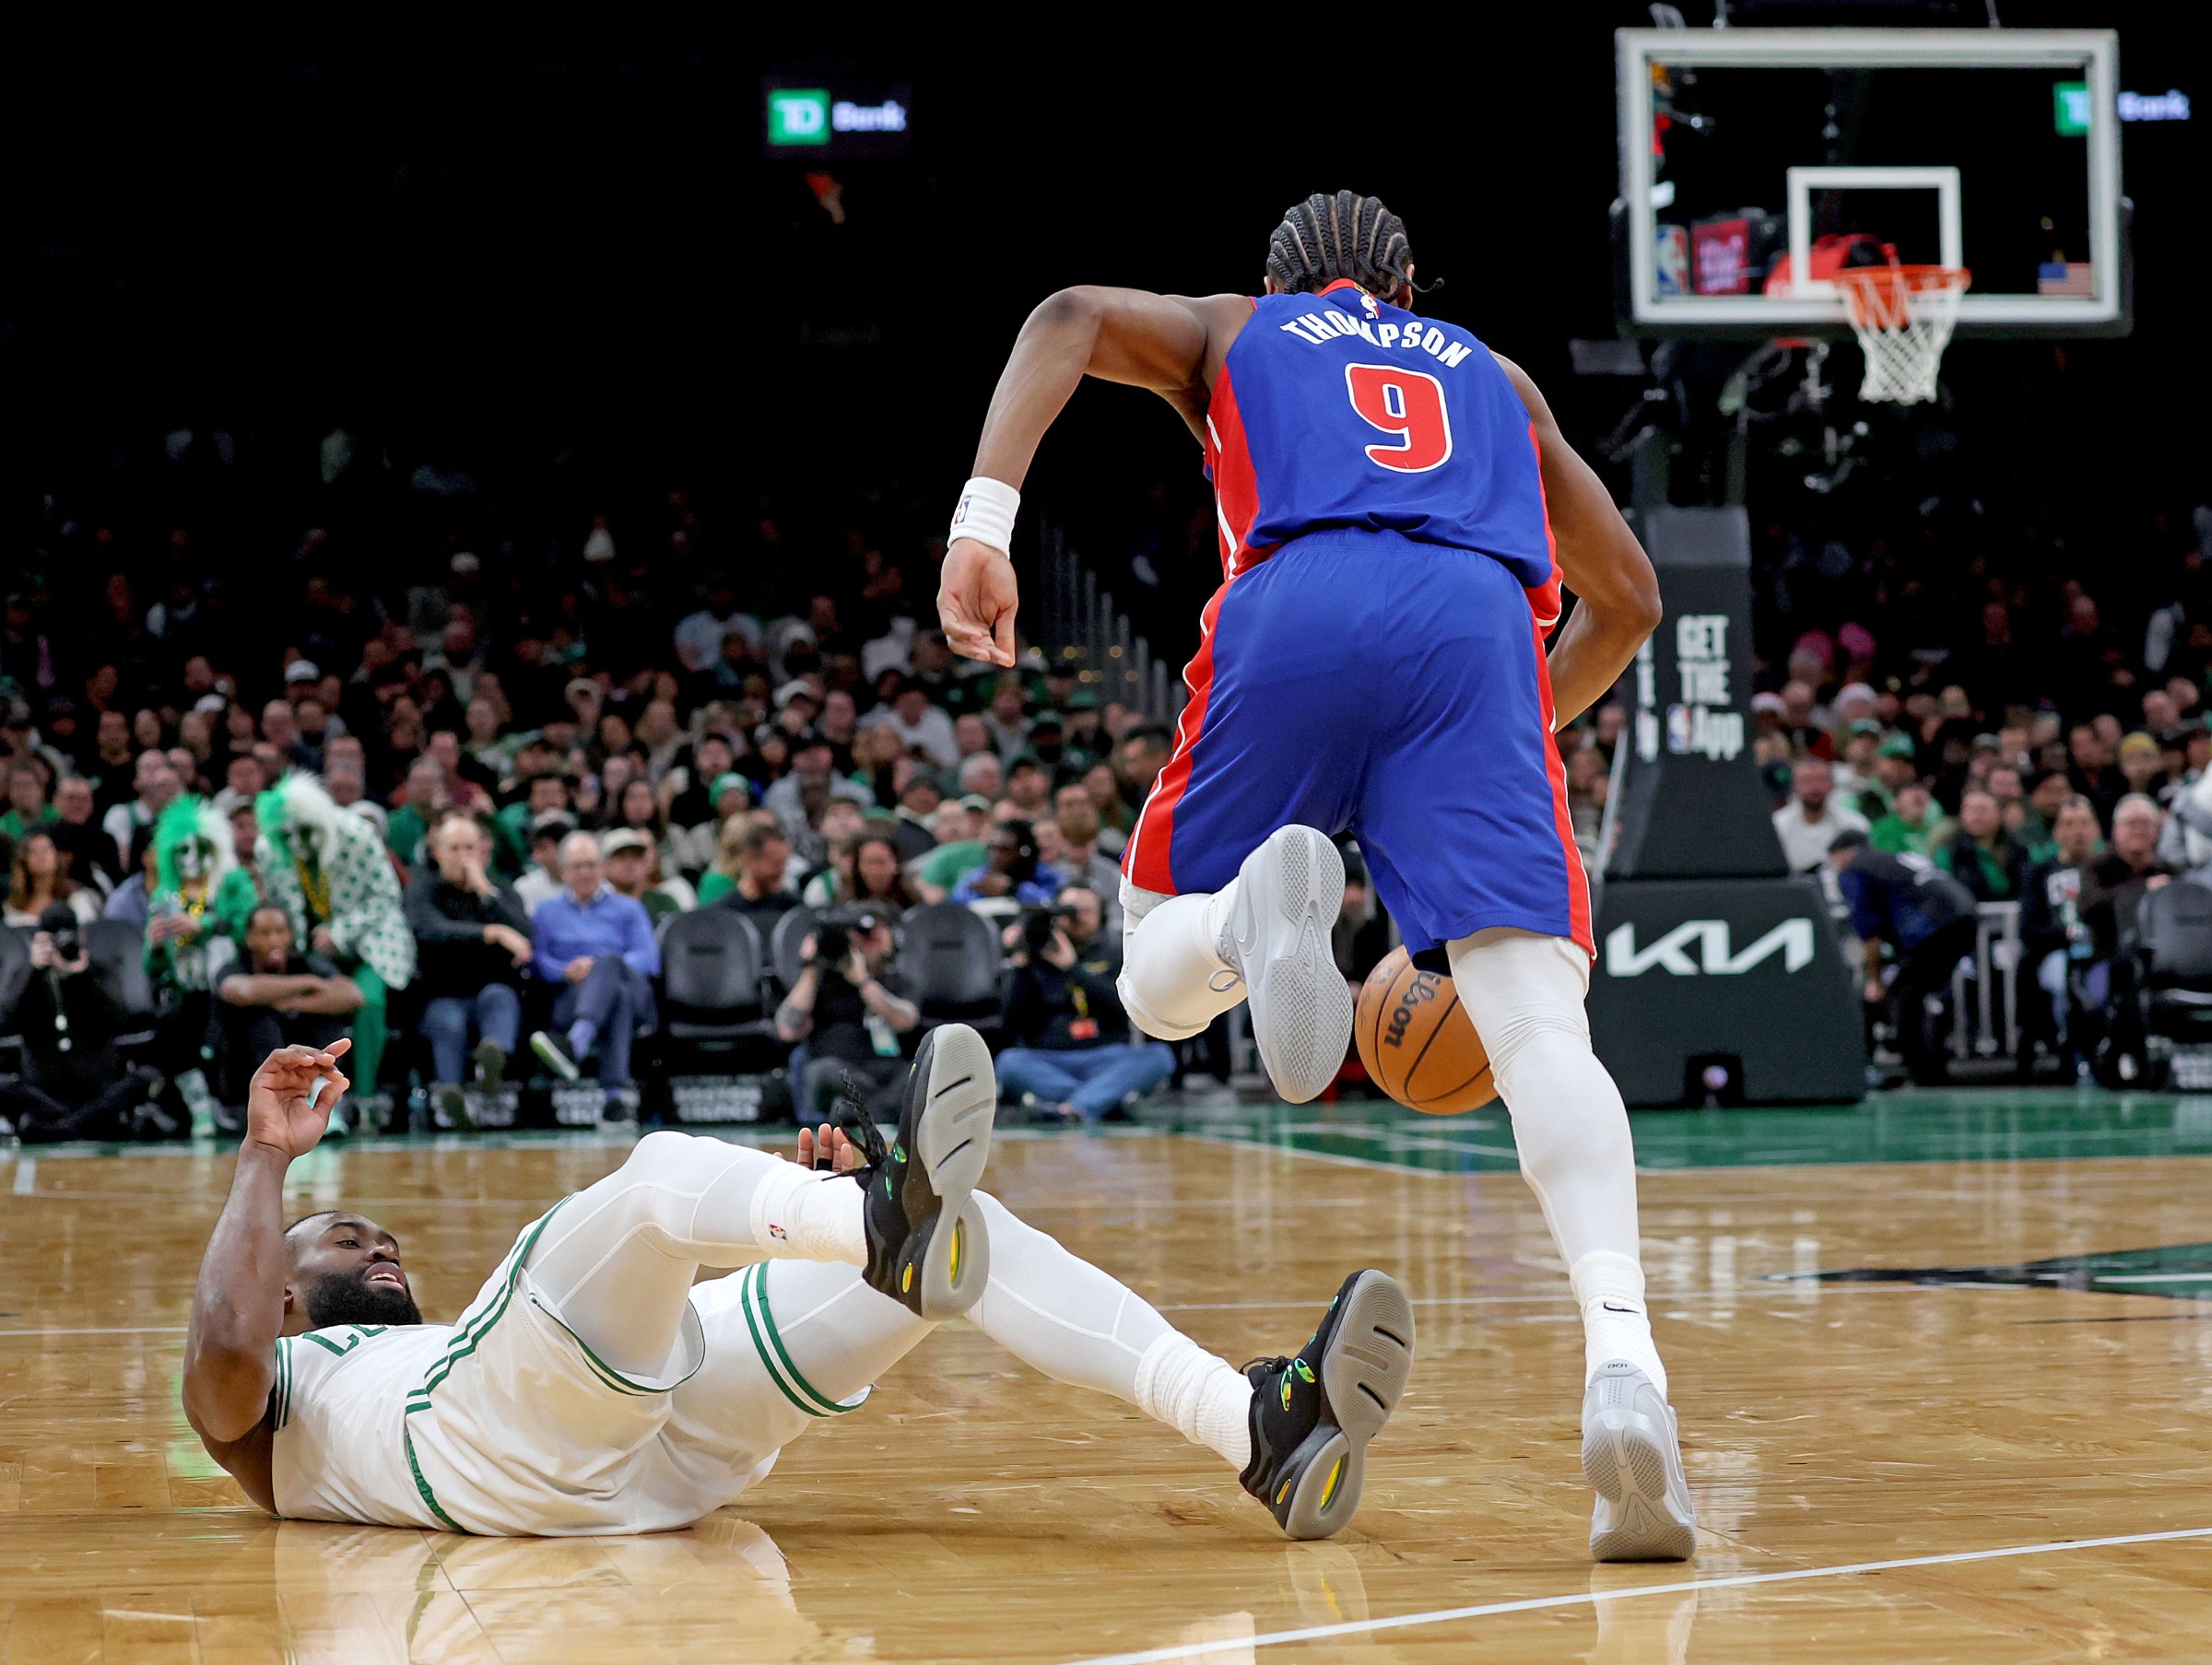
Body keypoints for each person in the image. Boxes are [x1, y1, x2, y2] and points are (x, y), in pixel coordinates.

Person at [935, 191, 1687, 1561]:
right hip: (1476, 631)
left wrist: (980, 526)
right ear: (1407, 287)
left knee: (1158, 970)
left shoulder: (1241, 329)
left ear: (1279, 282)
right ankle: (1625, 1364)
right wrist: (1516, 724)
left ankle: (1240, 915)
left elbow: (1066, 316)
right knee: (1535, 1025)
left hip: (1303, 594)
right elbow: (1629, 594)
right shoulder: (1495, 376)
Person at [179, 1030, 1413, 1542]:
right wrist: (267, 1161)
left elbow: (616, 1333)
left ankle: (1255, 1423)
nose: (377, 1239)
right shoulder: (272, 1390)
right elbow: (227, 1337)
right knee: (658, 1175)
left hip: (643, 1478)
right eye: (339, 1237)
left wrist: (805, 1231)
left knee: (957, 1240)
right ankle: (875, 1217)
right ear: (284, 1290)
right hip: (491, 1448)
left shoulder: (437, 1341)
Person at [254, 773, 416, 1124]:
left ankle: (366, 1100)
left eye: (305, 832)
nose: (296, 842)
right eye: (287, 835)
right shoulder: (268, 849)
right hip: (307, 946)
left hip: (371, 940)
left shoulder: (357, 835)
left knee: (368, 1001)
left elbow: (386, 896)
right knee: (292, 1000)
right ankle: (307, 1099)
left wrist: (341, 933)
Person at [995, 901, 1174, 1124]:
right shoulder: (1032, 961)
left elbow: (1124, 1006)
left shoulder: (1116, 953)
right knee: (1008, 1062)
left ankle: (1075, 1106)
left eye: (1086, 910)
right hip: (1050, 1060)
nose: (1078, 919)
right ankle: (1100, 1102)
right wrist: (1021, 965)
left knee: (1160, 1056)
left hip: (1108, 1058)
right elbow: (1012, 1025)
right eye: (1069, 912)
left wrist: (1072, 968)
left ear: (1101, 916)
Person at [406, 814, 533, 1128]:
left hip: (492, 989)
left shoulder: (499, 889)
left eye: (469, 848)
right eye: (454, 848)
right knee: (448, 1019)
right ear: (437, 852)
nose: (463, 856)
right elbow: (429, 932)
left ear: (482, 851)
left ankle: (492, 1064)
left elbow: (523, 936)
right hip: (441, 992)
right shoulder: (423, 888)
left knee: (500, 998)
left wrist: (485, 892)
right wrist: (489, 933)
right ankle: (452, 1096)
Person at [0, 903, 164, 1142]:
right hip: (45, 1093)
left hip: (97, 1089)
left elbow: (121, 1019)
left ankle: (62, 1128)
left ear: (82, 936)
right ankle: (84, 1123)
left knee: (145, 1078)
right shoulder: (26, 977)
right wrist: (34, 970)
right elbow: (6, 1022)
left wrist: (82, 976)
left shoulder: (98, 970)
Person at [1827, 831, 1981, 1085]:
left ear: (1842, 854)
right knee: (1924, 994)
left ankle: (1922, 1072)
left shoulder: (1854, 869)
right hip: (1964, 918)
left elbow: (1869, 936)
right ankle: (1932, 1065)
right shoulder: (1893, 859)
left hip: (1932, 929)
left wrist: (1874, 981)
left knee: (1903, 996)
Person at [145, 796, 260, 1132]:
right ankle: (200, 1107)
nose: (192, 858)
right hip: (184, 989)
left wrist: (205, 925)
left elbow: (251, 929)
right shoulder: (164, 896)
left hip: (230, 983)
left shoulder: (233, 883)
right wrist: (154, 948)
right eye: (182, 851)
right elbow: (151, 967)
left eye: (200, 849)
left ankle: (228, 1103)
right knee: (172, 1024)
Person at [528, 831, 662, 1119]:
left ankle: (573, 1046)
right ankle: (614, 1099)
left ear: (601, 868)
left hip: (634, 992)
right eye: (577, 866)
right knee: (618, 997)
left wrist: (600, 967)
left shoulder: (628, 908)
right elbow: (537, 960)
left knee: (611, 965)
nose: (586, 872)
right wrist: (564, 970)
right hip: (570, 997)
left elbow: (648, 958)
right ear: (563, 872)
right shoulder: (546, 911)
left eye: (591, 864)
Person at [773, 907, 918, 1118]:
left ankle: (869, 1113)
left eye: (875, 935)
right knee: (824, 1073)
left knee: (921, 1071)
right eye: (861, 936)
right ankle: (877, 1113)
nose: (868, 942)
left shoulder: (897, 982)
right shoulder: (819, 983)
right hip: (839, 1072)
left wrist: (864, 982)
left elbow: (906, 1020)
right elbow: (787, 1030)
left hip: (886, 1074)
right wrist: (811, 969)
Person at [215, 905, 365, 1106]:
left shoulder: (304, 964)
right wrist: (309, 984)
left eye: (280, 932)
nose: (274, 940)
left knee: (327, 1017)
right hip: (249, 1074)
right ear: (250, 938)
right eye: (265, 933)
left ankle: (324, 1091)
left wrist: (292, 1003)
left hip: (304, 1062)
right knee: (259, 1016)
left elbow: (352, 995)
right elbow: (241, 991)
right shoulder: (236, 966)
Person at [2020, 795, 2103, 1061]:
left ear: (2096, 830)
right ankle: (2065, 1044)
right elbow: (2029, 928)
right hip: (2056, 953)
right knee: (2059, 982)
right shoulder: (2039, 872)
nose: (2077, 831)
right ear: (2056, 832)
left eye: (2084, 823)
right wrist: (2065, 936)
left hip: (2101, 954)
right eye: (2068, 824)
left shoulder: (2109, 869)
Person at [1771, 756, 1870, 874]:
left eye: (1821, 779)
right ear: (1794, 786)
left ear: (1832, 784)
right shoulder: (1777, 825)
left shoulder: (1855, 824)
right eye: (1807, 780)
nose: (1815, 787)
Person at [1937, 787, 2030, 903]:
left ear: (2000, 814)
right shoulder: (1949, 852)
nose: (1976, 815)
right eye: (1969, 809)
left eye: (1983, 809)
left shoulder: (2018, 849)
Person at [949, 818, 1064, 908]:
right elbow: (956, 908)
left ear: (1023, 851)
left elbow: (1052, 905)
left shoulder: (1046, 876)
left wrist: (1012, 890)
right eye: (992, 849)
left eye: (1004, 850)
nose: (996, 856)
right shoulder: (977, 879)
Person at [5, 827, 100, 927]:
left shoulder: (76, 901)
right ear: (23, 860)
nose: (41, 855)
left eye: (47, 849)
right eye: (34, 851)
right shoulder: (12, 908)